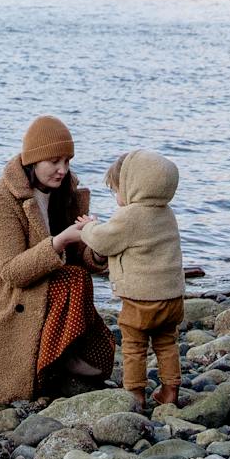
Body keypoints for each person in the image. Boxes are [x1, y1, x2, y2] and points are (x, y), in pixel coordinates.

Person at [0, 115, 116, 402]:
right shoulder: (1, 199)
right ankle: (53, 360)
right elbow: (12, 271)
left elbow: (78, 258)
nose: (62, 170)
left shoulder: (64, 191)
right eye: (54, 161)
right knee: (74, 280)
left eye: (67, 161)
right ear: (34, 160)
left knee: (77, 280)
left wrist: (97, 245)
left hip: (40, 280)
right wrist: (61, 240)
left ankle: (60, 355)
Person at [81, 149, 186, 412]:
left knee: (134, 346)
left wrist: (88, 227)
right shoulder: (167, 213)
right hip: (172, 297)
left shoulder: (130, 216)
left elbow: (103, 242)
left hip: (141, 300)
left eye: (117, 190)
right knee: (166, 342)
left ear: (134, 187)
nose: (117, 198)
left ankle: (136, 393)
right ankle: (170, 390)